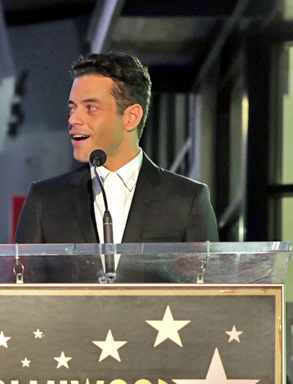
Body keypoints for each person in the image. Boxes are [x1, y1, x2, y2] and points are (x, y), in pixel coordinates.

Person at [15, 52, 218, 245]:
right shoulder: (45, 201)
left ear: (131, 117)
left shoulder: (187, 199)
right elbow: (22, 278)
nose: (73, 119)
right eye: (72, 108)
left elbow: (209, 278)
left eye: (90, 108)